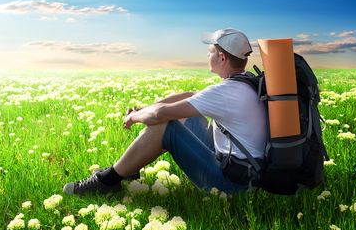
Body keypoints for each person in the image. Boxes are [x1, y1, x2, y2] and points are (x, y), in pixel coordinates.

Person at [63, 28, 266, 195]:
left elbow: (160, 116)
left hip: (233, 185)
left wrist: (134, 117)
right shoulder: (244, 81)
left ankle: (107, 181)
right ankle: (129, 168)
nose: (207, 54)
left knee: (164, 126)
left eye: (211, 51)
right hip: (244, 170)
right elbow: (190, 95)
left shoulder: (225, 92)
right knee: (182, 115)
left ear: (222, 58)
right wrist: (147, 109)